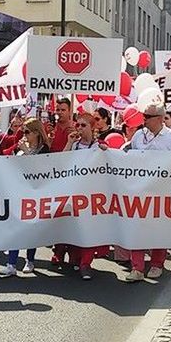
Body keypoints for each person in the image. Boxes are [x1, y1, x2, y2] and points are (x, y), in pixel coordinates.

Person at [124, 104, 171, 282]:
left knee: (158, 228)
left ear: (160, 118)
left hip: (162, 191)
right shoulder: (138, 135)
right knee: (137, 227)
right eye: (144, 116)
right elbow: (128, 156)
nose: (144, 119)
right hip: (140, 190)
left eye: (148, 116)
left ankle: (157, 263)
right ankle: (137, 267)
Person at [0, 117, 50, 278]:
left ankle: (30, 259)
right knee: (15, 228)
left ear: (36, 133)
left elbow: (41, 169)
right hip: (18, 192)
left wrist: (26, 152)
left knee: (30, 229)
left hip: (35, 194)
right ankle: (11, 263)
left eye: (27, 132)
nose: (24, 135)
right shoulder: (21, 146)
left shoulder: (44, 149)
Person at [61, 112, 109, 280]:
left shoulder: (99, 146)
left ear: (92, 127)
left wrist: (106, 152)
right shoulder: (74, 145)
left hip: (92, 194)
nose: (79, 128)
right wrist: (69, 142)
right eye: (78, 125)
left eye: (83, 125)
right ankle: (76, 258)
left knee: (90, 230)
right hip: (75, 192)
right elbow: (61, 162)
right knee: (76, 228)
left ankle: (85, 264)